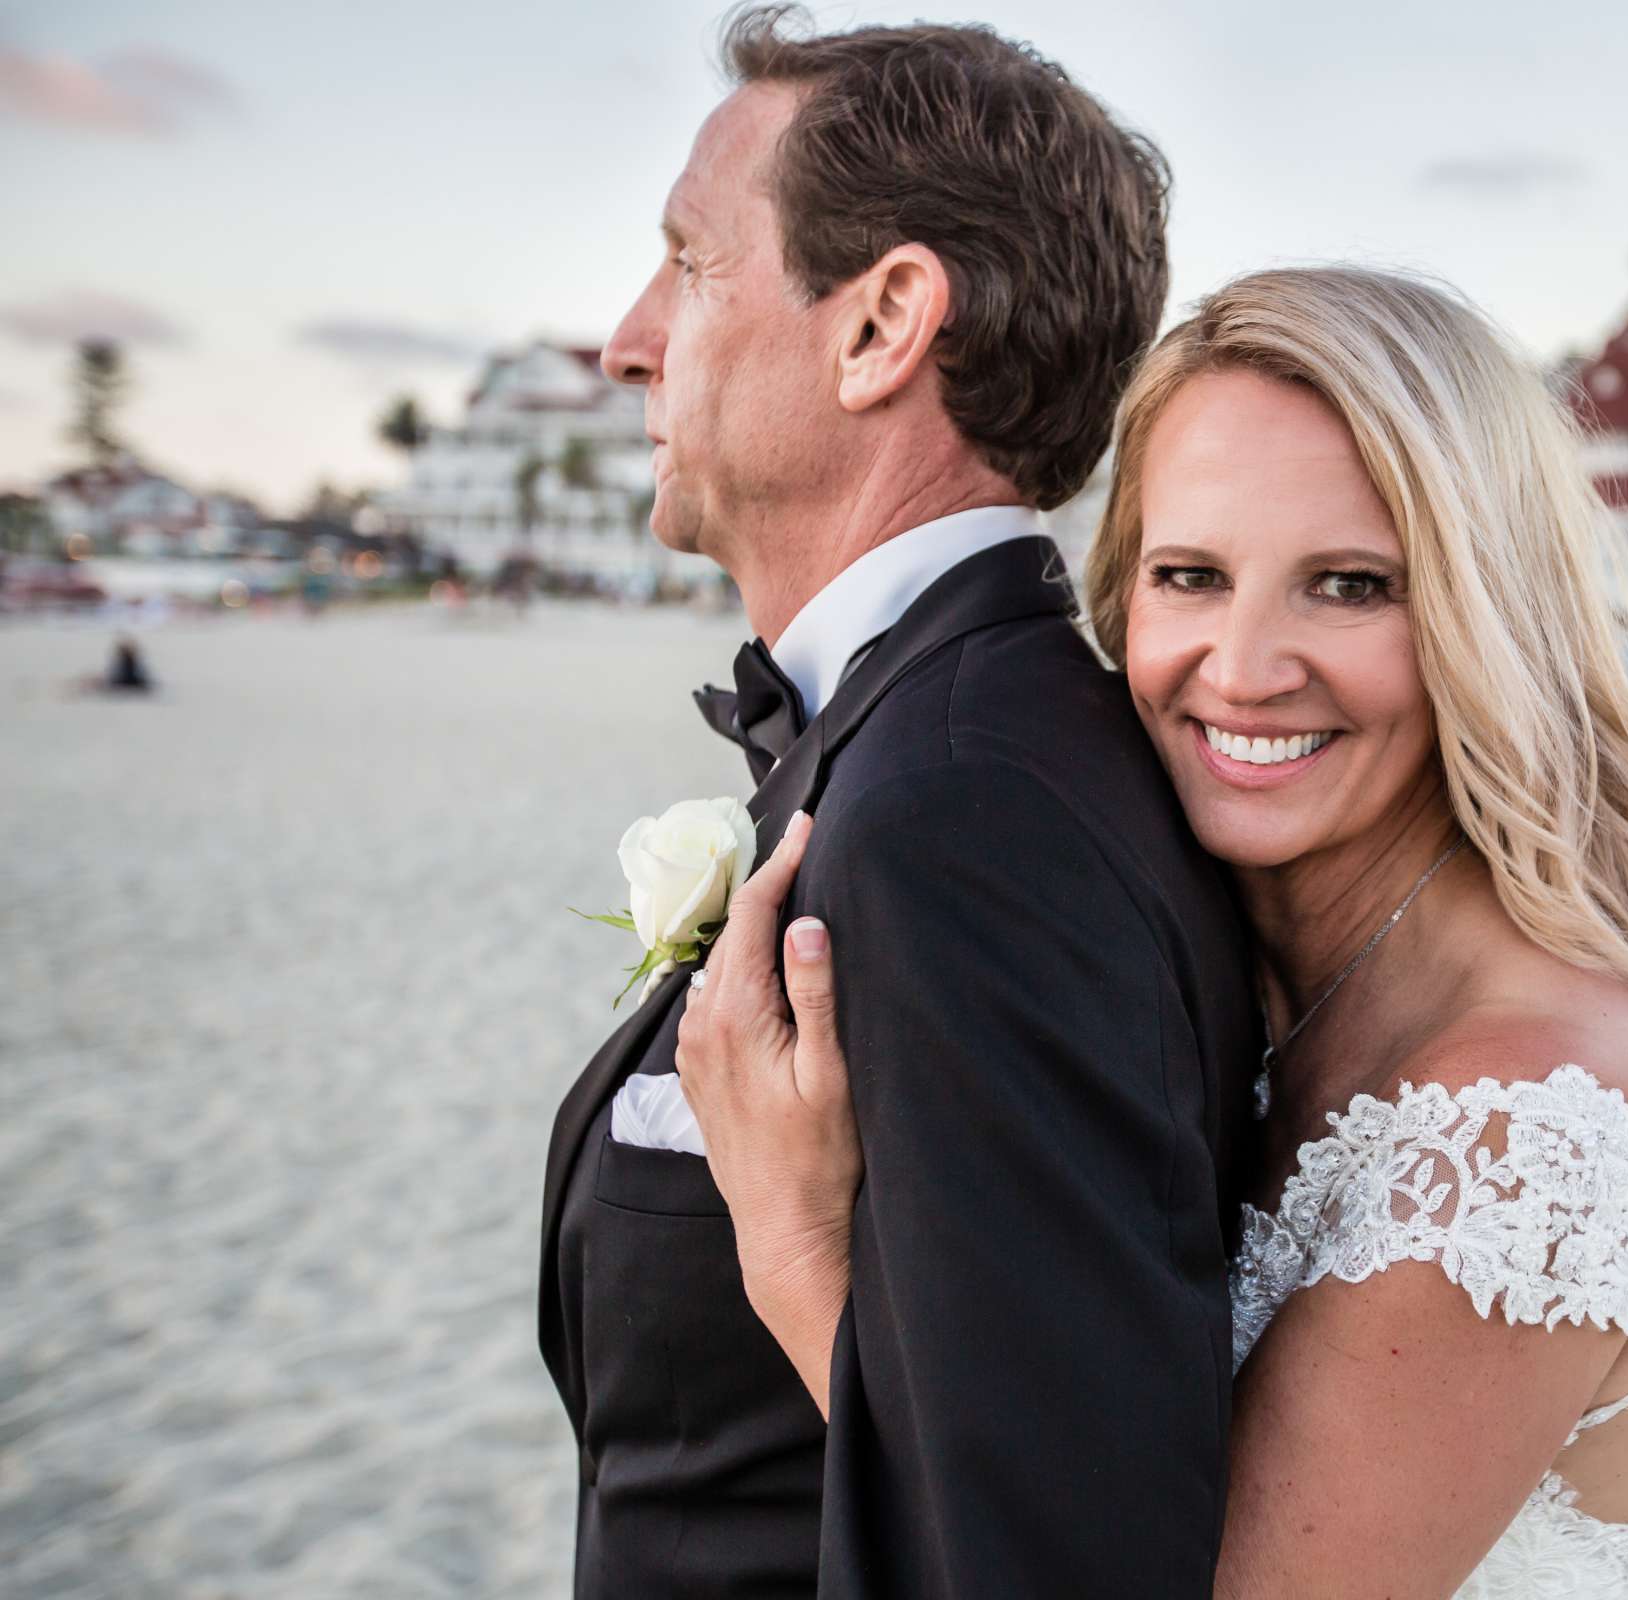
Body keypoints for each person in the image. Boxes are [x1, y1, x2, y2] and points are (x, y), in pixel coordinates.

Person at [678, 266, 1628, 1597]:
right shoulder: (1226, 973)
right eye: (1191, 576)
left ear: (1485, 616)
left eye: (1347, 585)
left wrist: (801, 1249)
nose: (1242, 666)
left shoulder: (1514, 1129)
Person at [534, 10, 1256, 1597]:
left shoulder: (966, 816)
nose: (628, 339)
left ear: (881, 328)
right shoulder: (936, 750)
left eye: (691, 262)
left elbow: (1050, 1556)